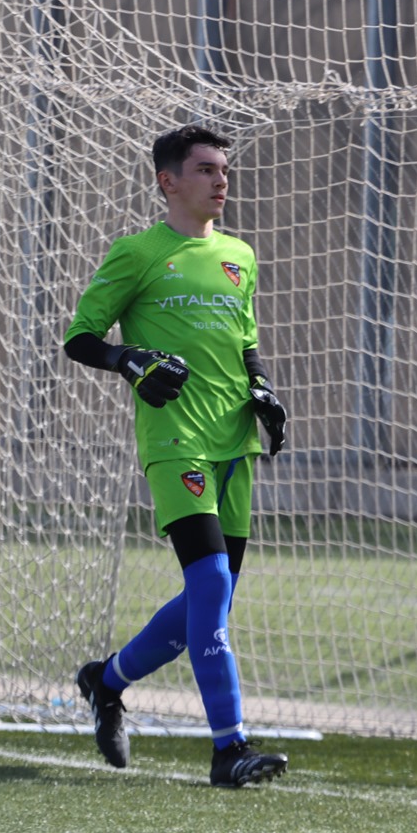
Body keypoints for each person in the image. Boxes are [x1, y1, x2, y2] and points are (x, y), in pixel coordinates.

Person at [64, 124, 290, 788]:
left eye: (224, 169)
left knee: (208, 599)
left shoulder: (240, 256)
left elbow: (245, 342)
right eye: (205, 169)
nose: (221, 179)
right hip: (175, 442)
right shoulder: (138, 253)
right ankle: (230, 748)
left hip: (235, 444)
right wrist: (128, 358)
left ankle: (106, 681)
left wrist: (263, 389)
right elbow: (81, 336)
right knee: (211, 586)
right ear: (168, 181)